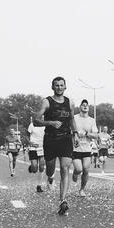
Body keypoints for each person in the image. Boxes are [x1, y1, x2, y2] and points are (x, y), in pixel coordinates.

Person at [33, 76, 79, 215]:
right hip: (50, 139)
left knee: (65, 169)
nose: (59, 87)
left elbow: (71, 119)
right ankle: (50, 177)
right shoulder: (46, 102)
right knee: (50, 168)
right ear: (52, 87)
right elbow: (35, 120)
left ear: (65, 87)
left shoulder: (70, 102)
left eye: (61, 85)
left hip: (65, 139)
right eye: (56, 85)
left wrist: (75, 133)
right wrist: (50, 123)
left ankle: (62, 201)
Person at [72, 99, 99, 197]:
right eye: (83, 105)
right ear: (80, 107)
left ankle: (82, 189)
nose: (85, 106)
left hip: (87, 148)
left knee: (86, 169)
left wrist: (87, 134)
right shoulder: (74, 118)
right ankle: (75, 173)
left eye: (86, 105)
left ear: (88, 108)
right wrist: (75, 134)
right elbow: (68, 130)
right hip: (75, 148)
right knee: (79, 169)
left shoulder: (92, 120)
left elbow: (96, 135)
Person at [27, 117, 47, 192]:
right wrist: (29, 142)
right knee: (35, 169)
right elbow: (26, 135)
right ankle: (32, 167)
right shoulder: (32, 125)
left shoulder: (46, 126)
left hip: (42, 148)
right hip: (33, 148)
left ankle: (39, 185)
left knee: (42, 166)